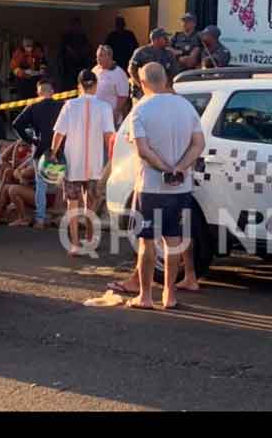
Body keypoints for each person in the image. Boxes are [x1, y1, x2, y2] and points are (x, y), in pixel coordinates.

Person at [109, 63, 205, 310]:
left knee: (147, 241)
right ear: (166, 80)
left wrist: (163, 168)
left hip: (150, 187)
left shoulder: (140, 110)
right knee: (173, 241)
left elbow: (143, 150)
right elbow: (198, 143)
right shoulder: (186, 107)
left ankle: (145, 296)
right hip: (180, 188)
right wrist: (180, 168)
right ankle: (170, 295)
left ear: (142, 83)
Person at [49, 69, 116, 257]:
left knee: (72, 205)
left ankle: (75, 244)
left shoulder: (69, 105)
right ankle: (90, 238)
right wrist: (112, 158)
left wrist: (53, 154)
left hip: (72, 164)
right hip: (95, 165)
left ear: (78, 86)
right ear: (95, 85)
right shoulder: (104, 107)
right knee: (91, 204)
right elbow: (109, 136)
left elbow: (58, 134)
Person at [12, 78, 65, 229]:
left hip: (40, 150)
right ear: (52, 92)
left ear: (38, 92)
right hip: (58, 150)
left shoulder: (33, 107)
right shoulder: (62, 106)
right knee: (61, 184)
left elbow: (16, 124)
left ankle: (40, 219)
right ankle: (61, 217)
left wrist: (30, 140)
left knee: (41, 185)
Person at [127, 28, 179, 101]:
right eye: (164, 38)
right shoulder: (141, 52)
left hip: (161, 92)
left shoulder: (169, 54)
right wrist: (141, 84)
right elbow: (131, 69)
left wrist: (165, 88)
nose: (167, 40)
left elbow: (174, 73)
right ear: (156, 39)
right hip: (141, 92)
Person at [92, 45, 130, 127]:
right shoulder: (95, 69)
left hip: (111, 118)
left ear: (109, 56)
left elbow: (123, 96)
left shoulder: (119, 73)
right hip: (96, 117)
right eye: (97, 56)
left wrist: (115, 113)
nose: (97, 58)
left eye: (101, 55)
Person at [10, 37, 48, 101]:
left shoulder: (37, 50)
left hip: (37, 79)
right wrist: (24, 73)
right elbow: (14, 68)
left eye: (30, 45)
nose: (29, 47)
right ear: (23, 45)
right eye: (27, 45)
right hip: (23, 81)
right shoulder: (18, 52)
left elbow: (43, 61)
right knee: (26, 99)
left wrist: (42, 69)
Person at [60, 17, 93, 91]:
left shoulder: (82, 36)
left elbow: (87, 47)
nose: (76, 27)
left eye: (78, 25)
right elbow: (66, 48)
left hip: (81, 65)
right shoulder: (66, 36)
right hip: (69, 66)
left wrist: (81, 54)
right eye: (75, 25)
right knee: (70, 85)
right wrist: (74, 54)